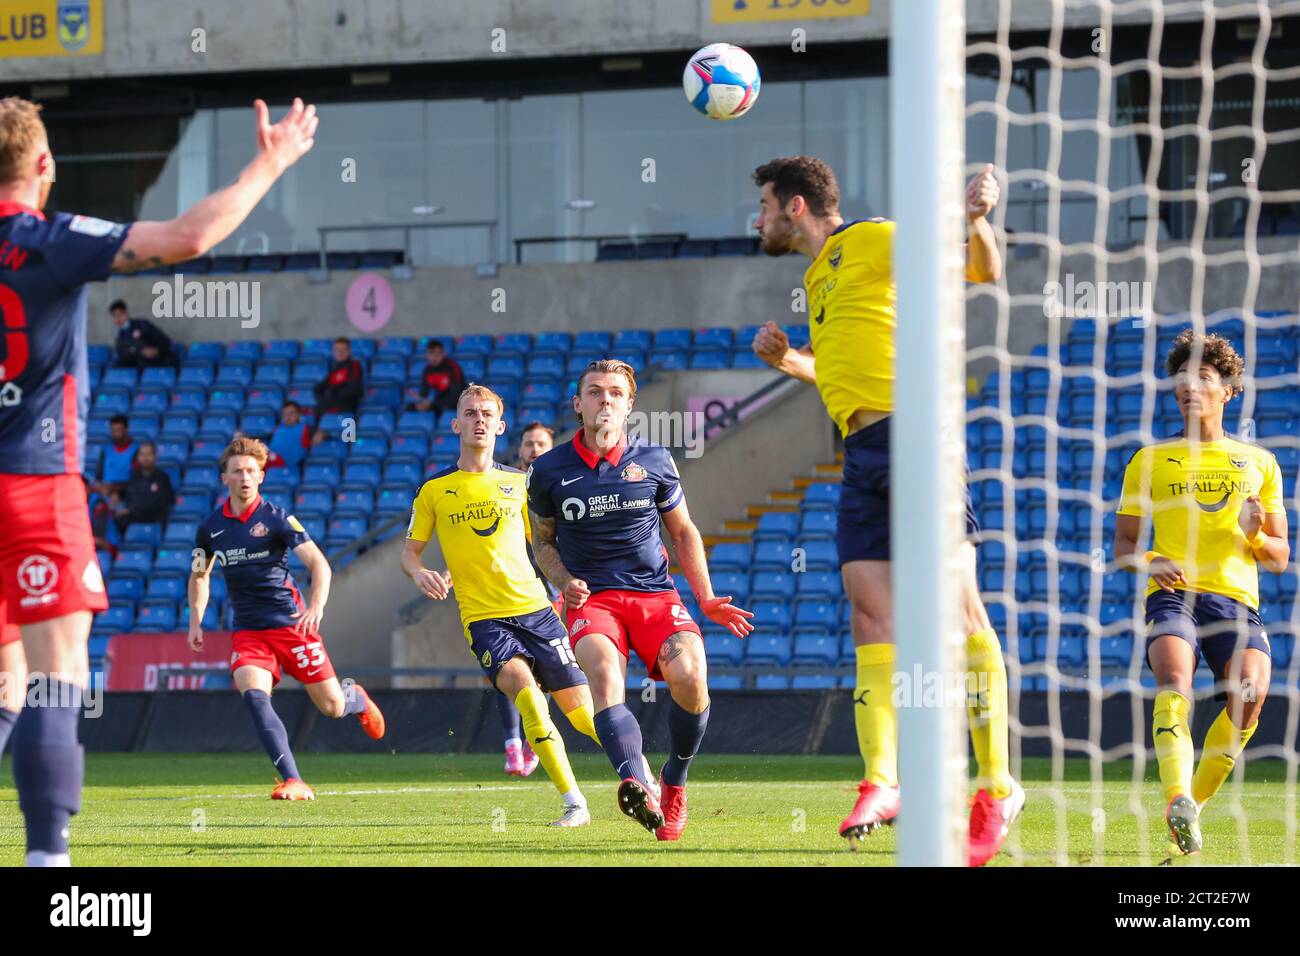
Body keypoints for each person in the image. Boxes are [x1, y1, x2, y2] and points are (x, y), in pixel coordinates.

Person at [0, 92, 318, 865]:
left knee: (5, 682)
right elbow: (189, 235)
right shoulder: (48, 238)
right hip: (36, 484)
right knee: (54, 675)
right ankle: (48, 863)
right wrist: (271, 160)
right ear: (45, 164)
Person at [749, 156, 1019, 864]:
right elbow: (846, 367)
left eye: (766, 206)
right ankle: (883, 780)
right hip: (863, 451)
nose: (759, 220)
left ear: (797, 207)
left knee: (959, 613)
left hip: (917, 434)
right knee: (871, 615)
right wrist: (792, 363)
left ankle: (995, 786)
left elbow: (977, 271)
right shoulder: (817, 276)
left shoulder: (869, 237)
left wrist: (976, 218)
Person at [527, 360, 754, 840]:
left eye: (614, 393)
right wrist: (564, 578)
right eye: (593, 392)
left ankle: (673, 781)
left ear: (630, 405)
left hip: (655, 594)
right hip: (594, 601)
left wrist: (707, 597)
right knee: (605, 676)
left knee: (691, 680)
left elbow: (683, 531)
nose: (604, 400)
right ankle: (636, 781)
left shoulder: (655, 460)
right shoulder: (547, 470)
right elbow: (542, 541)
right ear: (578, 403)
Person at [1113, 330, 1288, 855]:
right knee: (1174, 680)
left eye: (1203, 378)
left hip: (1236, 602)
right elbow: (1122, 546)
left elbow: (1280, 557)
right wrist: (1151, 559)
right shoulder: (1149, 460)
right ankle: (1173, 796)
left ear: (1227, 389)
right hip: (1175, 595)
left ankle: (1192, 806)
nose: (1189, 387)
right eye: (1181, 379)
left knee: (1250, 696)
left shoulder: (1260, 464)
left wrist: (1255, 531)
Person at [401, 387, 598, 826]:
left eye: (487, 414)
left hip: (537, 611)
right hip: (484, 619)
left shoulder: (519, 485)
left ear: (500, 425)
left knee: (585, 717)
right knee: (527, 697)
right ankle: (574, 803)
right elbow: (409, 553)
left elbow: (545, 544)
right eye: (469, 413)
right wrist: (419, 573)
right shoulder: (435, 490)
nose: (479, 420)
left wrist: (567, 583)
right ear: (456, 425)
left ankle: (642, 774)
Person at [189, 437, 386, 800]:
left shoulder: (277, 518)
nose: (245, 477)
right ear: (225, 479)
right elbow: (200, 575)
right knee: (254, 695)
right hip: (249, 632)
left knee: (332, 707)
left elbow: (318, 564)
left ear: (261, 477)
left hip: (293, 627)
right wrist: (196, 621)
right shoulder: (210, 529)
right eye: (238, 471)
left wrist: (316, 607)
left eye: (251, 471)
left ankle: (354, 698)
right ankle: (293, 779)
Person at [492, 420, 561, 778]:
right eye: (529, 444)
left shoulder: (557, 487)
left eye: (541, 444)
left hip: (547, 591)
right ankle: (512, 746)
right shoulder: (504, 486)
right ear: (519, 450)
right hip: (502, 591)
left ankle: (534, 740)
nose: (534, 449)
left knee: (542, 672)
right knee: (505, 668)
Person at [113, 441, 176, 535]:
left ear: (155, 457)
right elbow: (123, 496)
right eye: (142, 454)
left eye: (149, 454)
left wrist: (131, 510)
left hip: (154, 521)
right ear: (138, 457)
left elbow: (162, 502)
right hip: (131, 521)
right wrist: (116, 499)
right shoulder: (131, 477)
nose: (145, 458)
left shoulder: (163, 478)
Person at [312, 337, 364, 445]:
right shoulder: (334, 369)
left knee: (348, 442)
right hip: (329, 408)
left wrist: (333, 396)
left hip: (348, 409)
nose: (340, 353)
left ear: (349, 351)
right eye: (337, 350)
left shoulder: (354, 366)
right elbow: (318, 389)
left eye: (343, 350)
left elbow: (355, 390)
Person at [406, 339, 464, 426]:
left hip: (455, 402)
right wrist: (420, 400)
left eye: (438, 354)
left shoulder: (452, 367)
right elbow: (424, 391)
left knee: (444, 406)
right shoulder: (427, 370)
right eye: (431, 353)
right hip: (436, 402)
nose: (434, 357)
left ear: (443, 353)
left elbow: (456, 395)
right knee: (409, 407)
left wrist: (432, 403)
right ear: (427, 355)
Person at [110, 299, 176, 370]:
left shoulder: (142, 325)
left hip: (158, 363)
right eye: (114, 316)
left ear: (126, 313)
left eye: (119, 315)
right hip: (139, 367)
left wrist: (156, 350)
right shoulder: (120, 337)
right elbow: (124, 355)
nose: (117, 318)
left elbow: (166, 341)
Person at [266, 401, 311, 471]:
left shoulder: (304, 429)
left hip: (285, 464)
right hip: (270, 459)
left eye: (291, 413)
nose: (288, 416)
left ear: (298, 415)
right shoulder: (278, 429)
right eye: (285, 414)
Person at [100, 414, 136, 494]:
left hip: (127, 494)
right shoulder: (105, 450)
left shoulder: (136, 451)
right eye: (113, 431)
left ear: (127, 429)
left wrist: (116, 491)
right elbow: (99, 477)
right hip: (106, 494)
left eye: (119, 430)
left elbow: (137, 480)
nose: (116, 434)